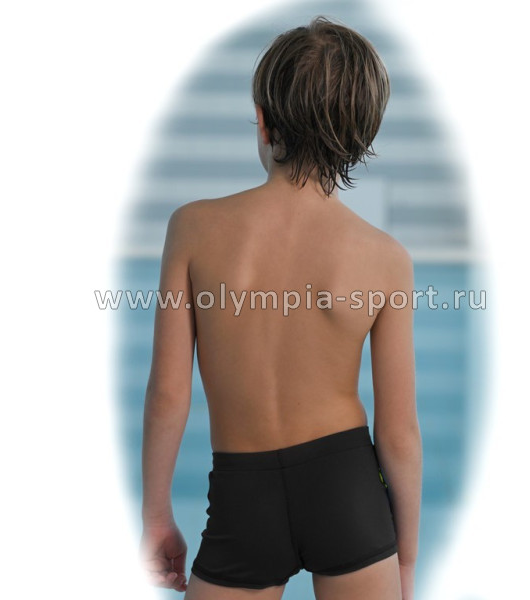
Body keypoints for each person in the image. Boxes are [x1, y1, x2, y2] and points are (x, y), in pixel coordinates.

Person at [139, 15, 422, 600]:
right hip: (347, 490)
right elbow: (399, 433)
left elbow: (168, 394)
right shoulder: (385, 258)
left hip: (242, 494)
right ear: (361, 133)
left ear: (264, 121)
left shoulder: (193, 228)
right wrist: (407, 559)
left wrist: (156, 516)